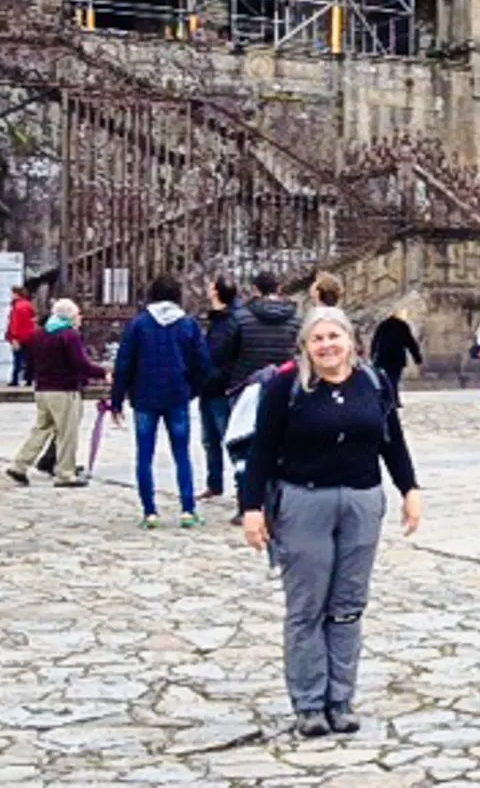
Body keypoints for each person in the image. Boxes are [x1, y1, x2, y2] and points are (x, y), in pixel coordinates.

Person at [240, 305, 422, 738]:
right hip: (304, 502)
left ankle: (340, 699)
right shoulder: (286, 387)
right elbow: (262, 450)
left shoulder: (372, 382)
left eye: (333, 337)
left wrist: (410, 489)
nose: (327, 346)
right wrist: (251, 507)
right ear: (305, 345)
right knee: (307, 607)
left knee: (347, 607)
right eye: (317, 339)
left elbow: (391, 439)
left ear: (350, 342)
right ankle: (308, 703)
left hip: (361, 500)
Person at [111, 276, 212, 529]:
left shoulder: (138, 324)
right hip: (177, 394)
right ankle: (188, 509)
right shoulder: (188, 325)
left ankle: (150, 512)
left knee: (144, 454)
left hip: (144, 395)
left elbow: (124, 363)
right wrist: (193, 389)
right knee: (182, 454)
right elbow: (202, 363)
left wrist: (117, 399)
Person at [6, 299, 105, 488]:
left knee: (42, 429)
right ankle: (65, 473)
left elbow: (32, 361)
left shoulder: (41, 334)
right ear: (69, 317)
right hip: (64, 390)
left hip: (43, 389)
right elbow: (80, 363)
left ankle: (20, 465)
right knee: (67, 433)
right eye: (77, 315)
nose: (80, 319)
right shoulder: (69, 335)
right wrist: (103, 373)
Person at [200, 275, 241, 506]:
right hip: (209, 386)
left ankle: (240, 484)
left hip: (222, 386)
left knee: (229, 437)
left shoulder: (230, 320)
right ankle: (214, 483)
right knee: (209, 439)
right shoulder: (217, 319)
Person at [228, 271, 301, 394]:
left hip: (244, 384)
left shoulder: (240, 317)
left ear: (256, 289)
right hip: (282, 385)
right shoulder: (295, 319)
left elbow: (229, 354)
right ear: (278, 289)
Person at [370, 309, 423, 406]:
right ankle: (394, 399)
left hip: (384, 357)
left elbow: (375, 341)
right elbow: (410, 342)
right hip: (397, 358)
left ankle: (390, 399)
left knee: (387, 379)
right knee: (394, 379)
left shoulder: (383, 325)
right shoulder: (402, 326)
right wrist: (417, 357)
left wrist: (373, 355)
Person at [6, 286, 38, 388]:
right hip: (30, 336)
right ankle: (29, 379)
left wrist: (14, 337)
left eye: (13, 293)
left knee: (17, 359)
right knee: (29, 359)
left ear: (16, 294)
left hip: (19, 337)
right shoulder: (29, 305)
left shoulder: (17, 307)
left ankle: (15, 380)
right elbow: (34, 319)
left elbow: (15, 323)